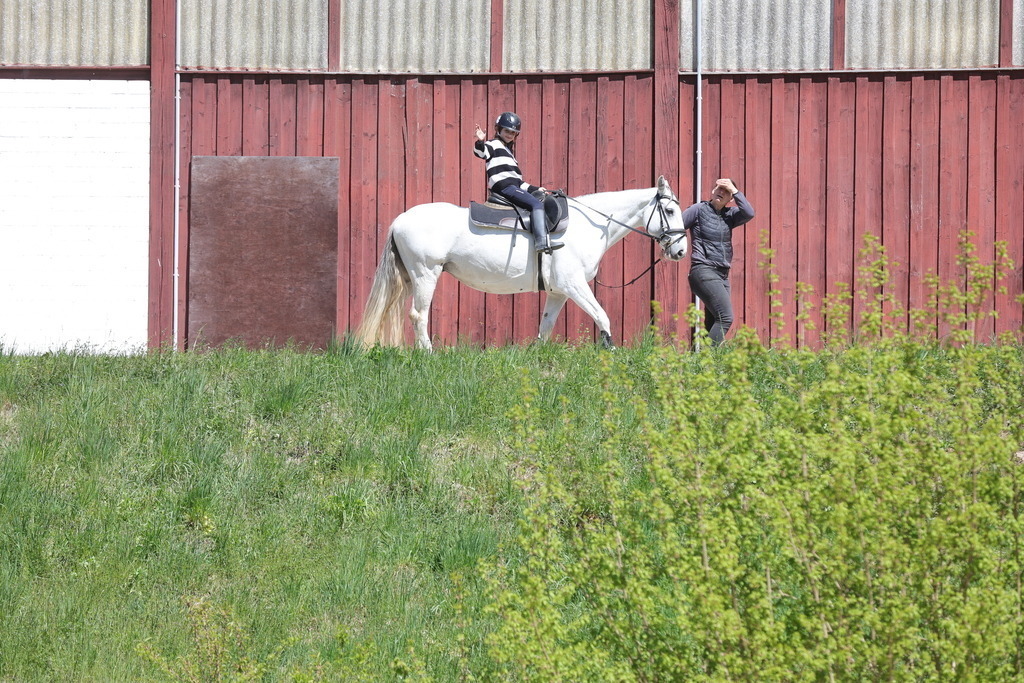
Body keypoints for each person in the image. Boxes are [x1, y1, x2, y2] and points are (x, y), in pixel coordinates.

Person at [473, 112, 563, 254]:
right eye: (507, 131)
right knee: (536, 204)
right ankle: (541, 242)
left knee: (537, 198)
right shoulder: (493, 144)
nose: (510, 134)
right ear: (498, 130)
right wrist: (480, 141)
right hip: (504, 188)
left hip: (512, 187)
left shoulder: (509, 155)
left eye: (513, 133)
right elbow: (481, 152)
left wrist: (537, 188)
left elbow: (519, 184)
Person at [682, 178, 755, 345]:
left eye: (726, 191)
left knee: (713, 321)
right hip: (703, 270)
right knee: (725, 318)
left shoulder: (730, 215)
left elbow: (749, 213)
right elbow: (678, 226)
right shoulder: (698, 209)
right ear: (712, 191)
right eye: (719, 188)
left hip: (722, 275)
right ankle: (706, 360)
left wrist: (736, 192)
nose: (721, 192)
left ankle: (695, 364)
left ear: (731, 199)